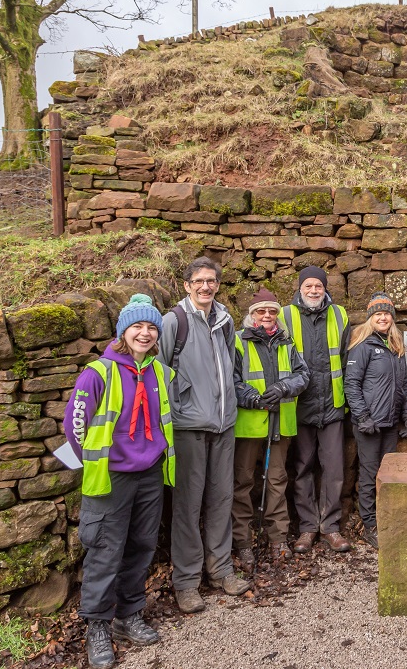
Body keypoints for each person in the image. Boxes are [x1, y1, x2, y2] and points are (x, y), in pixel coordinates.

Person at [64, 294, 174, 669]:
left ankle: (129, 616)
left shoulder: (160, 371)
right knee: (105, 550)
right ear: (122, 332)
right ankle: (97, 625)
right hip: (111, 478)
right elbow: (74, 426)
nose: (144, 333)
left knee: (142, 545)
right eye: (137, 326)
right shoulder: (98, 372)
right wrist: (98, 463)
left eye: (150, 327)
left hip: (150, 474)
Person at [158, 257, 250, 614]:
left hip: (224, 425)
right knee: (187, 506)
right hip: (188, 428)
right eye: (198, 281)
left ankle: (221, 570)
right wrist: (182, 396)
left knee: (221, 500)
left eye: (211, 280)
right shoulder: (173, 322)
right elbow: (160, 369)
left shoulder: (225, 321)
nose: (205, 286)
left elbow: (230, 366)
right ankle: (186, 582)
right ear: (186, 285)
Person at [232, 287, 309, 570]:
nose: (267, 315)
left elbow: (303, 375)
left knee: (277, 481)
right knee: (242, 483)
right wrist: (252, 398)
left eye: (272, 311)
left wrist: (283, 388)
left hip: (280, 424)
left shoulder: (286, 343)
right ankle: (242, 542)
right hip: (249, 426)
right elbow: (232, 379)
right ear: (252, 315)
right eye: (261, 311)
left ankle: (277, 539)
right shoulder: (238, 341)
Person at [283, 266, 352, 554]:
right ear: (300, 288)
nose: (313, 291)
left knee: (334, 468)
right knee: (301, 469)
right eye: (309, 286)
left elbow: (348, 358)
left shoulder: (339, 314)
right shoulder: (285, 315)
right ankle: (307, 527)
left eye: (318, 286)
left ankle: (331, 527)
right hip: (299, 407)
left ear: (325, 288)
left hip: (333, 405)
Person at [344, 292, 407, 549]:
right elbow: (351, 384)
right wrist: (362, 416)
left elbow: (403, 387)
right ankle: (369, 525)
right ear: (370, 318)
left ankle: (385, 518)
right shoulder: (362, 347)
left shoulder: (395, 347)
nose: (383, 317)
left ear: (392, 318)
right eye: (378, 314)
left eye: (386, 313)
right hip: (369, 425)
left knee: (387, 475)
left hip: (389, 424)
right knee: (369, 474)